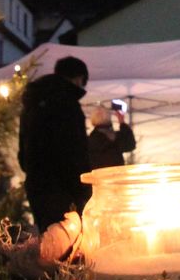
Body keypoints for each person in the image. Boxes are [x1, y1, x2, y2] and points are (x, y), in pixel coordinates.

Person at [18, 56, 92, 233]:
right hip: (62, 188)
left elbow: (23, 146)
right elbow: (74, 150)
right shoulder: (67, 104)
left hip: (37, 182)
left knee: (48, 241)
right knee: (67, 243)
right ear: (79, 78)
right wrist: (83, 190)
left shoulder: (33, 102)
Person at [87, 104, 136, 169]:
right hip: (117, 174)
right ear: (109, 117)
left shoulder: (91, 139)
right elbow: (130, 145)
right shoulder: (116, 137)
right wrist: (122, 122)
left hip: (99, 175)